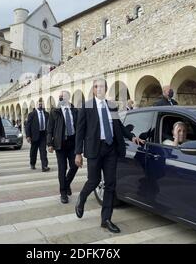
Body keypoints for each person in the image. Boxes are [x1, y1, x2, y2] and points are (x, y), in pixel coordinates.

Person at [74, 78, 144, 233]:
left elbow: (119, 125)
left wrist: (132, 136)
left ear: (105, 89)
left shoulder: (112, 106)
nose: (100, 89)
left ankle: (106, 219)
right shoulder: (86, 107)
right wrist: (78, 153)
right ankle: (82, 198)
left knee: (111, 184)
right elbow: (80, 132)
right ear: (93, 89)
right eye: (96, 86)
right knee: (94, 180)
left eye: (102, 86)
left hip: (111, 148)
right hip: (94, 149)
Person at [47, 91, 79, 204]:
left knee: (75, 166)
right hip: (60, 144)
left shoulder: (75, 111)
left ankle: (66, 184)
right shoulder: (55, 112)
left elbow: (79, 127)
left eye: (63, 97)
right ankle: (63, 193)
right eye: (60, 97)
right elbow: (49, 129)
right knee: (62, 168)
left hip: (73, 143)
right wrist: (49, 144)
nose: (61, 99)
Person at [26, 98, 50, 172]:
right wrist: (28, 136)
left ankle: (44, 166)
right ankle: (32, 163)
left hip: (43, 135)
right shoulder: (31, 114)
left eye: (42, 104)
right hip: (34, 135)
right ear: (36, 105)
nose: (40, 105)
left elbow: (49, 125)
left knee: (43, 151)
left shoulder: (46, 114)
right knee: (33, 151)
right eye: (39, 104)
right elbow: (28, 126)